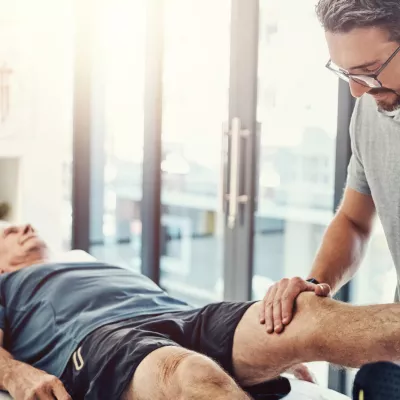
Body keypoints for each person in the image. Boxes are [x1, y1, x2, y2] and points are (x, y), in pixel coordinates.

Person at [2, 224, 400, 400]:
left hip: (187, 315)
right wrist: (17, 374)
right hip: (102, 337)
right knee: (190, 374)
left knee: (307, 314)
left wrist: (275, 354)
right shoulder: (7, 285)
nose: (26, 228)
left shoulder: (89, 262)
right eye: (8, 232)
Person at [260, 0, 400, 335]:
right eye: (346, 73)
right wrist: (314, 286)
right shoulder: (369, 112)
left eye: (370, 69)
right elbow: (353, 221)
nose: (356, 90)